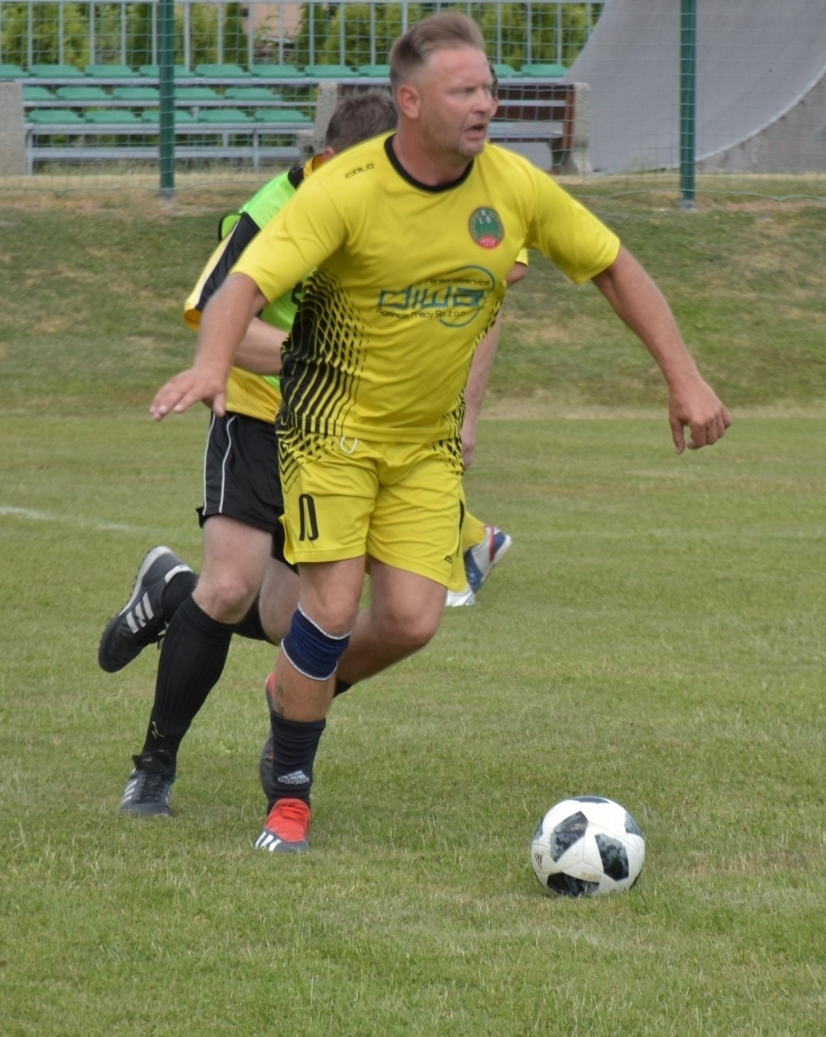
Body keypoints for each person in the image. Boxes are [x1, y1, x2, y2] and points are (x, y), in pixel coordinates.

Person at [151, 12, 731, 853]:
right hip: (328, 429)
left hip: (422, 446)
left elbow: (611, 263)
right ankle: (291, 795)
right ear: (410, 101)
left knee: (414, 621)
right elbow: (245, 283)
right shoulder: (344, 190)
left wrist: (684, 376)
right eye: (466, 90)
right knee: (334, 605)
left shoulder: (513, 188)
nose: (487, 104)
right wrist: (212, 364)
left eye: (491, 88)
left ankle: (291, 696)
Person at [103, 92, 516, 817]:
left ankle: (172, 593)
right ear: (328, 164)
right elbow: (221, 324)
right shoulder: (270, 213)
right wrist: (324, 357)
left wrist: (464, 411)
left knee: (289, 622)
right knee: (231, 586)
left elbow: (486, 300)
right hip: (258, 413)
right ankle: (155, 767)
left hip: (343, 435)